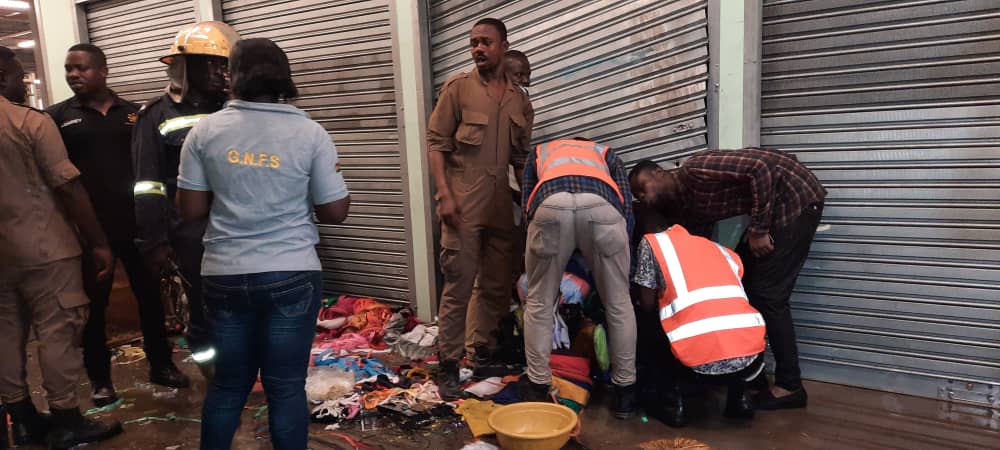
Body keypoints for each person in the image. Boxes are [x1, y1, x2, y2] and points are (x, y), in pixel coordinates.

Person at [176, 38, 351, 450]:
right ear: (284, 79)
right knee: (285, 387)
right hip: (291, 272)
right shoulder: (310, 133)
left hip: (224, 273)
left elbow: (190, 210)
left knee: (229, 385)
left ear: (231, 77)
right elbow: (334, 212)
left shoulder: (204, 132)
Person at [628, 148, 826, 409]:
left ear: (659, 172)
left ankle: (790, 386)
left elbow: (762, 167)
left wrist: (759, 229)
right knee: (742, 287)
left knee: (769, 295)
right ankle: (742, 374)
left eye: (644, 188)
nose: (644, 198)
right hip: (774, 212)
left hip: (795, 199)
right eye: (638, 196)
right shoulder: (688, 205)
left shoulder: (695, 168)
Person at [47, 43, 189, 407]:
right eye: (68, 69)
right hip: (92, 232)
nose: (73, 75)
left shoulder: (135, 115)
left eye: (81, 68)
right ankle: (99, 380)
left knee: (151, 300)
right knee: (95, 308)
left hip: (138, 225)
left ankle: (161, 365)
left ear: (103, 70)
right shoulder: (58, 118)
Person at [0, 46, 123, 449]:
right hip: (45, 249)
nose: (25, 82)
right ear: (3, 76)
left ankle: (21, 420)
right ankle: (67, 418)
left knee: (6, 333)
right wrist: (99, 243)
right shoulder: (27, 121)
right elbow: (68, 187)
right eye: (20, 75)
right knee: (58, 331)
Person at [426, 17, 534, 398]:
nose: (478, 48)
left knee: (493, 286)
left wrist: (530, 199)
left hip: (499, 208)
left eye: (486, 42)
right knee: (457, 286)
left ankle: (480, 352)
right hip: (462, 205)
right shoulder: (458, 89)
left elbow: (521, 159)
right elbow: (436, 143)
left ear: (504, 45)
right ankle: (449, 364)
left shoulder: (519, 99)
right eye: (473, 42)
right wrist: (444, 195)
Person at [133, 21, 240, 377]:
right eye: (208, 64)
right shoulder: (156, 116)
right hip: (190, 233)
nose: (217, 73)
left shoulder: (238, 110)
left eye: (223, 64)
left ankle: (241, 365)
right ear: (184, 66)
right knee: (204, 307)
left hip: (239, 229)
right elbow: (147, 185)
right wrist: (155, 241)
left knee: (241, 303)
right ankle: (215, 375)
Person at [520, 138, 637, 418]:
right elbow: (627, 208)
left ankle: (538, 385)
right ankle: (625, 393)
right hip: (602, 207)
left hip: (550, 205)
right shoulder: (605, 153)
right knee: (619, 303)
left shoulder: (539, 152)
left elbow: (527, 206)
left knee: (539, 302)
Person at [633, 223, 765, 426]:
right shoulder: (719, 249)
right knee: (725, 318)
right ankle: (740, 399)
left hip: (695, 361)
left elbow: (648, 303)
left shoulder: (652, 243)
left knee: (646, 318)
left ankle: (671, 404)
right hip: (750, 359)